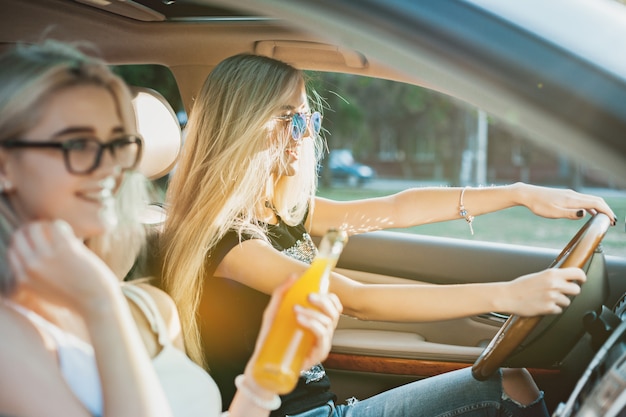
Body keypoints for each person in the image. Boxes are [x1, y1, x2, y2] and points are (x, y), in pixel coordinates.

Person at [157, 53, 618, 417]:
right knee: (510, 385)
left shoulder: (282, 214)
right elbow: (358, 298)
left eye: (308, 120)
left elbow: (397, 209)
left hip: (326, 408)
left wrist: (520, 194)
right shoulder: (232, 246)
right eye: (290, 120)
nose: (304, 135)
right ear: (243, 128)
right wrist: (510, 293)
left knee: (513, 380)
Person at [0, 41, 341, 417]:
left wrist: (264, 377)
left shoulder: (150, 308)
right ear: (4, 166)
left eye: (117, 143)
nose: (109, 165)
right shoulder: (13, 336)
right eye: (78, 143)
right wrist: (102, 304)